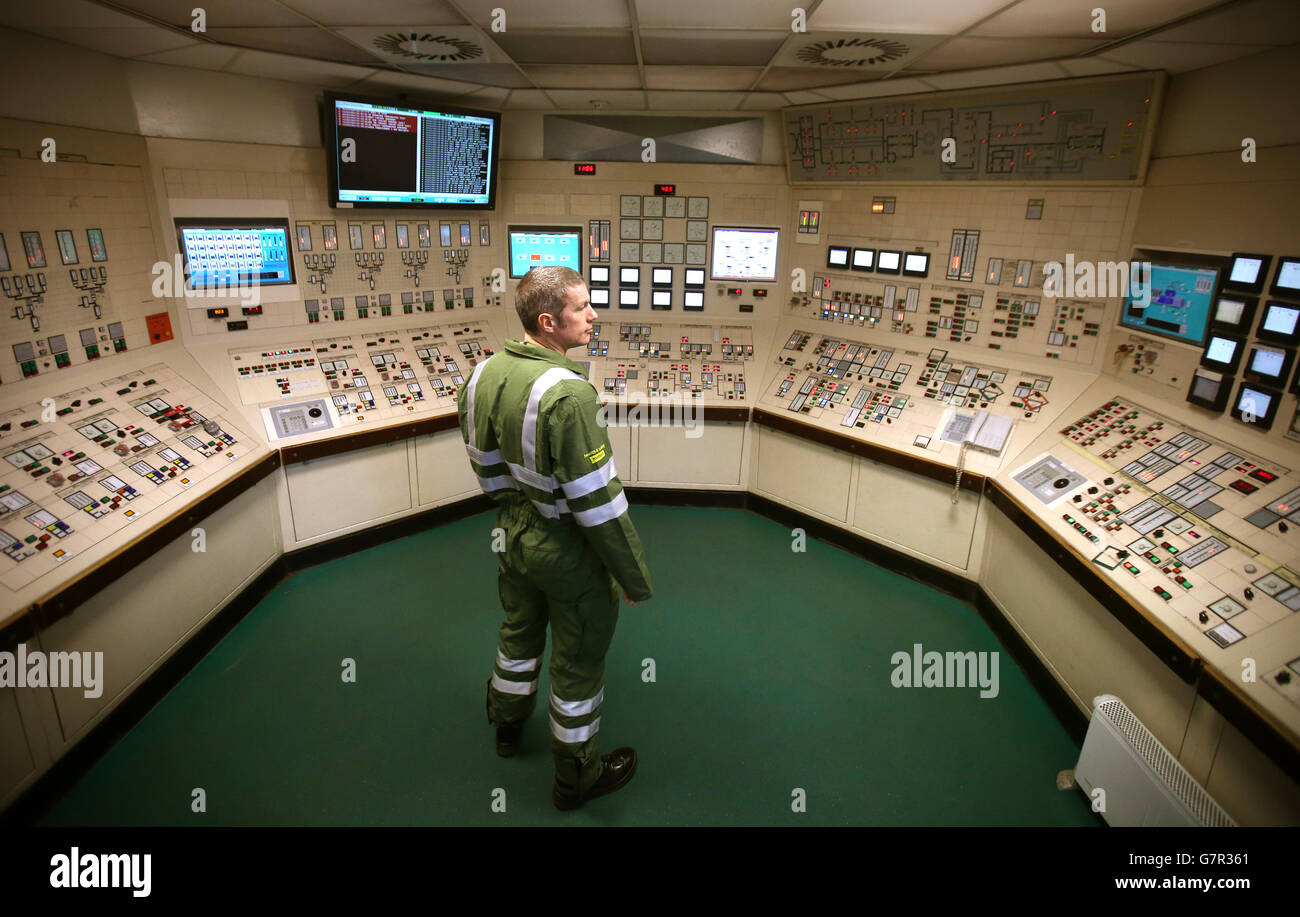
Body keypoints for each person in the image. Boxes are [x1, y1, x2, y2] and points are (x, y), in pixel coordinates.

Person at [457, 265, 653, 811]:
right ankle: (577, 776)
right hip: (566, 550)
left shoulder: (480, 376)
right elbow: (600, 505)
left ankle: (506, 724)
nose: (594, 316)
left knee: (518, 633)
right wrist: (631, 575)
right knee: (578, 659)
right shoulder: (569, 394)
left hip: (511, 538)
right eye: (582, 308)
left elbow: (486, 470)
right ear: (548, 321)